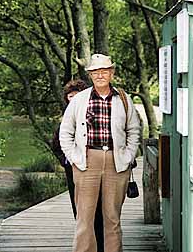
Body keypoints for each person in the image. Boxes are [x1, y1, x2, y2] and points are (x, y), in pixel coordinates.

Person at [59, 54, 141, 252]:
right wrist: (74, 158)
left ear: (111, 73)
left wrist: (129, 156)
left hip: (116, 161)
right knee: (84, 217)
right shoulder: (79, 99)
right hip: (87, 161)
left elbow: (134, 130)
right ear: (90, 75)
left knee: (112, 217)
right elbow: (65, 132)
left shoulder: (123, 99)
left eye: (104, 71)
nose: (100, 75)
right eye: (95, 72)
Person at [51, 79, 105, 252]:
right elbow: (56, 145)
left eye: (77, 96)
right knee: (80, 211)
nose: (73, 100)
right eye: (70, 97)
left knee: (98, 209)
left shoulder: (95, 114)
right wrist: (67, 160)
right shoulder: (65, 119)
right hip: (73, 171)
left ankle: (101, 245)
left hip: (96, 168)